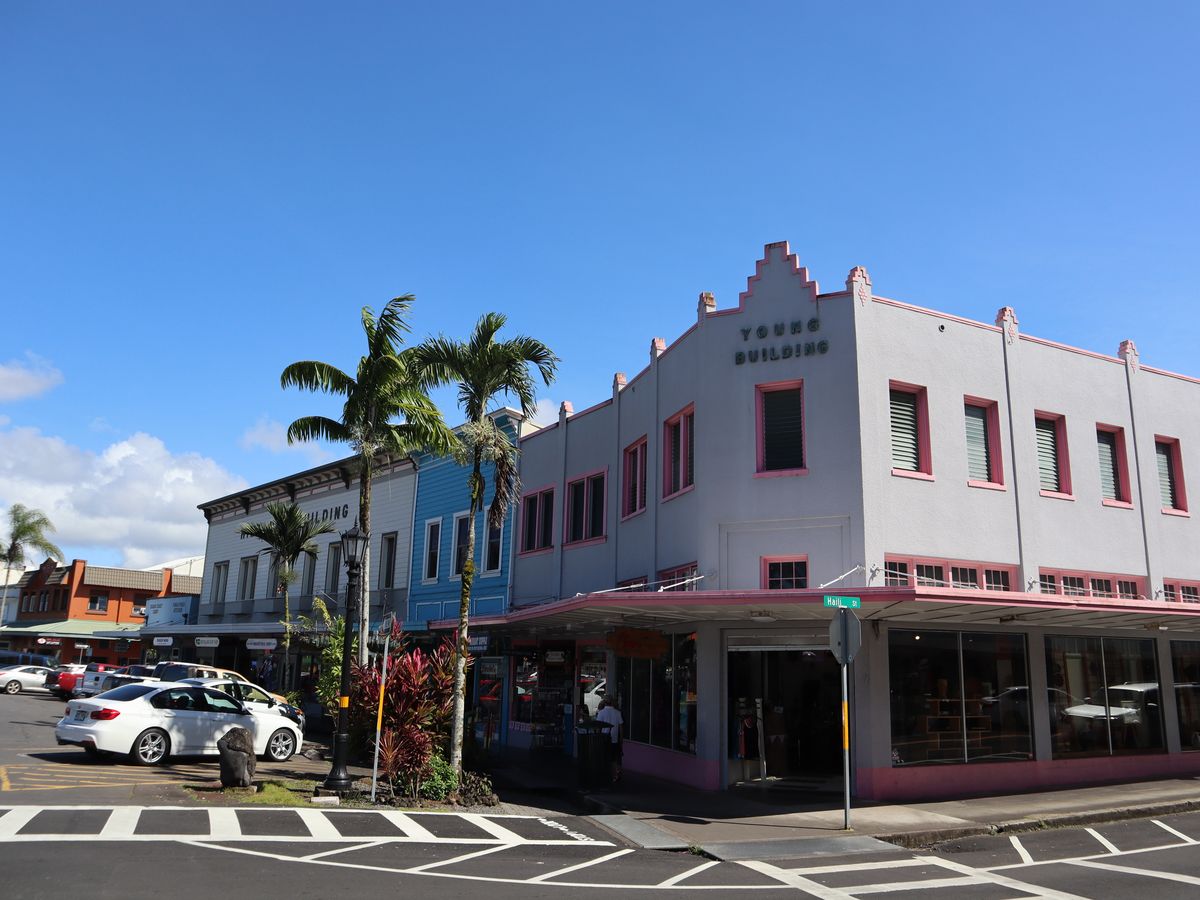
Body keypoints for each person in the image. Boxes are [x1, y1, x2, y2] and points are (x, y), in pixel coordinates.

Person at [595, 696, 624, 784]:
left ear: (604, 702)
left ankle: (608, 775)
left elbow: (598, 727)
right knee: (615, 757)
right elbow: (621, 728)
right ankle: (616, 774)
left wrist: (598, 737)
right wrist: (621, 739)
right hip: (614, 739)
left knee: (604, 757)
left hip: (604, 738)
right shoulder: (617, 712)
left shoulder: (601, 713)